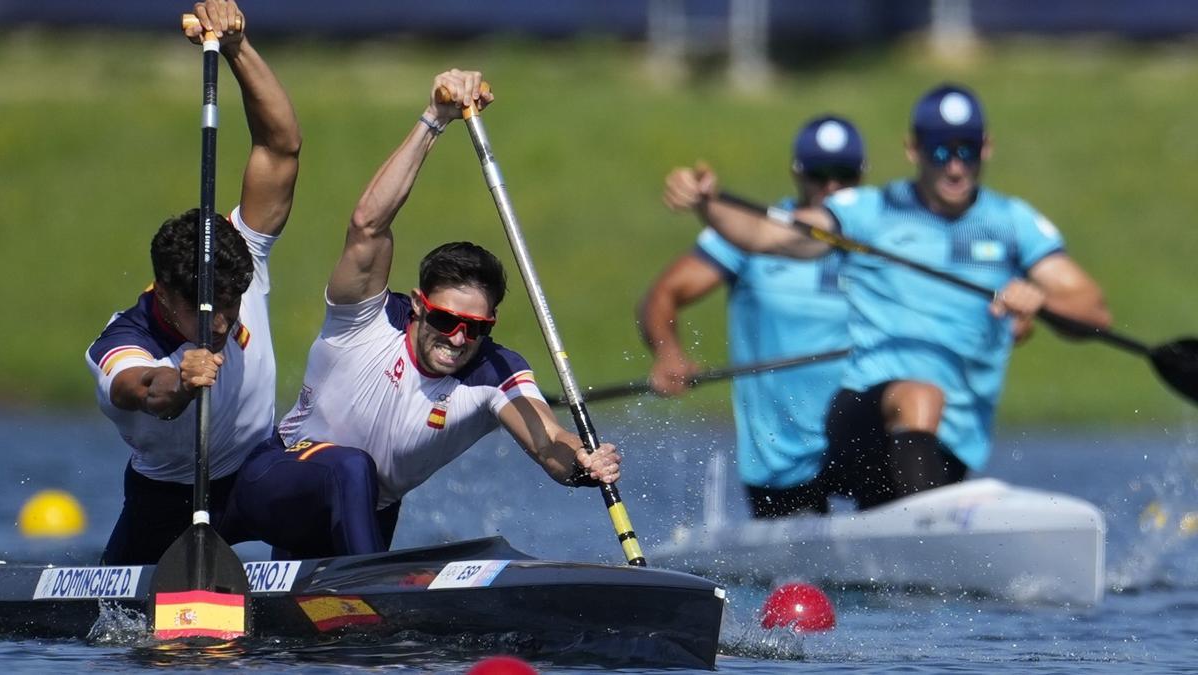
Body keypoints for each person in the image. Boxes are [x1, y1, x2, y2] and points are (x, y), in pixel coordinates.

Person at [222, 70, 621, 559]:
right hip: (274, 480)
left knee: (333, 615)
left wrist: (581, 463)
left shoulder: (496, 374)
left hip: (360, 517)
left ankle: (355, 617)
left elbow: (547, 442)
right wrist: (434, 119)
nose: (457, 339)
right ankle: (369, 602)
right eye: (444, 319)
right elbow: (369, 223)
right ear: (417, 304)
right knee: (352, 469)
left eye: (475, 328)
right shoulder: (365, 316)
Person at [663, 83, 1111, 510]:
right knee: (921, 396)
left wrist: (1043, 303)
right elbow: (768, 235)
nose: (955, 167)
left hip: (955, 439)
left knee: (921, 434)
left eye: (966, 151)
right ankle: (932, 539)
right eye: (940, 151)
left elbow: (1093, 310)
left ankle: (906, 542)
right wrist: (708, 204)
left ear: (986, 148)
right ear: (913, 150)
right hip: (864, 421)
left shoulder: (1013, 223)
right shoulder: (871, 211)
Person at [84, 0, 301, 564]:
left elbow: (280, 148)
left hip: (258, 471)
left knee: (344, 473)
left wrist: (236, 49)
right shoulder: (120, 342)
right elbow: (145, 391)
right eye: (210, 309)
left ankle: (350, 607)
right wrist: (179, 383)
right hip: (166, 499)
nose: (224, 321)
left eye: (233, 304)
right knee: (123, 633)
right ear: (163, 296)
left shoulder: (236, 252)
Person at [639, 115, 865, 518]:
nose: (831, 188)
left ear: (861, 175)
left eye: (843, 176)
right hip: (782, 462)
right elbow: (663, 295)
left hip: (859, 445)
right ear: (798, 174)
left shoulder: (877, 233)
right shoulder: (751, 232)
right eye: (820, 175)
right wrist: (668, 353)